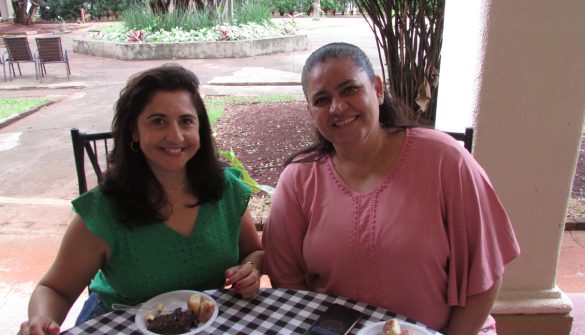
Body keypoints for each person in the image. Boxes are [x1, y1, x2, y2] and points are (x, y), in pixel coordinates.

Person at [262, 42, 520, 335]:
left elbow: (485, 274)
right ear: (311, 112)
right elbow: (287, 280)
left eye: (349, 89)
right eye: (321, 100)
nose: (337, 107)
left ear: (378, 89)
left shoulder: (444, 160)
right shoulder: (298, 178)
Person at [19, 64, 263, 335]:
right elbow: (54, 289)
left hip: (205, 326)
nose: (175, 136)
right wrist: (40, 320)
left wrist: (250, 269)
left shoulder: (225, 189)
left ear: (199, 129)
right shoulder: (104, 210)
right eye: (158, 121)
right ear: (134, 131)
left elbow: (253, 252)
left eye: (186, 121)